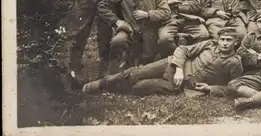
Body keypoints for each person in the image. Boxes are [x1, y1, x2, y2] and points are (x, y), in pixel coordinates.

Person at [82, 27, 243, 97]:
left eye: (229, 40)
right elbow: (183, 50)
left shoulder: (235, 63)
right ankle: (101, 85)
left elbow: (232, 88)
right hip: (171, 64)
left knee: (140, 87)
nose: (225, 43)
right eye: (222, 39)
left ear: (236, 42)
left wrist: (211, 88)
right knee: (135, 73)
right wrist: (179, 68)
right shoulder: (209, 44)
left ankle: (117, 88)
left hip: (180, 85)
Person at [97, 0, 171, 71]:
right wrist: (117, 21)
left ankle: (137, 64)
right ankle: (116, 69)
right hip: (129, 30)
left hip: (149, 32)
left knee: (146, 62)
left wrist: (148, 14)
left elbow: (166, 12)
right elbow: (102, 5)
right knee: (117, 41)